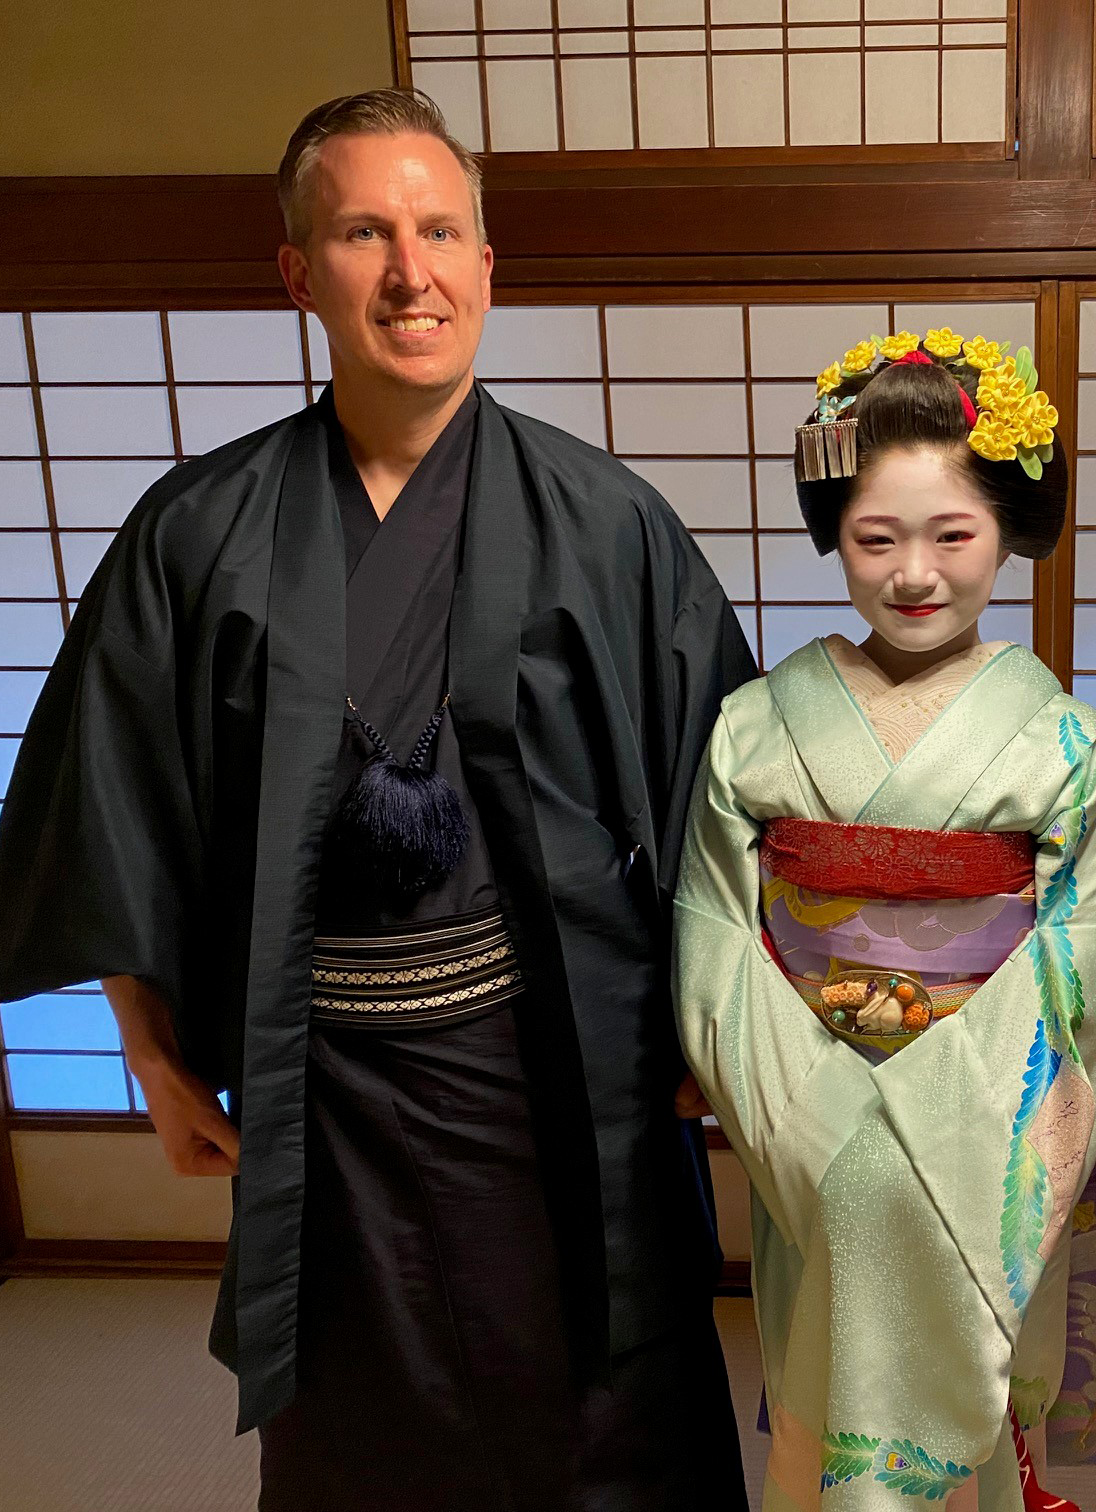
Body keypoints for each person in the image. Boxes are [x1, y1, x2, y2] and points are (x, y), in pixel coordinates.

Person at [0, 89, 753, 1510]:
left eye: (440, 229)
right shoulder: (195, 530)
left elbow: (729, 805)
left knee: (602, 1433)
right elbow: (113, 801)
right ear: (299, 270)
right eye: (363, 231)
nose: (411, 270)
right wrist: (153, 1056)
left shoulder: (609, 523)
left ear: (486, 263)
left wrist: (715, 1037)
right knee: (360, 1440)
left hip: (562, 1079)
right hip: (323, 1087)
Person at [674, 331, 1096, 1509]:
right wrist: (804, 1117)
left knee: (966, 1412)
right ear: (836, 534)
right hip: (806, 1121)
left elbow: (1087, 972)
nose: (913, 573)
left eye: (954, 535)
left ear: (1008, 532)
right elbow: (719, 937)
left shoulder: (1063, 742)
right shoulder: (755, 726)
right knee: (818, 1398)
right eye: (875, 538)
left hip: (991, 1128)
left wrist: (947, 1113)